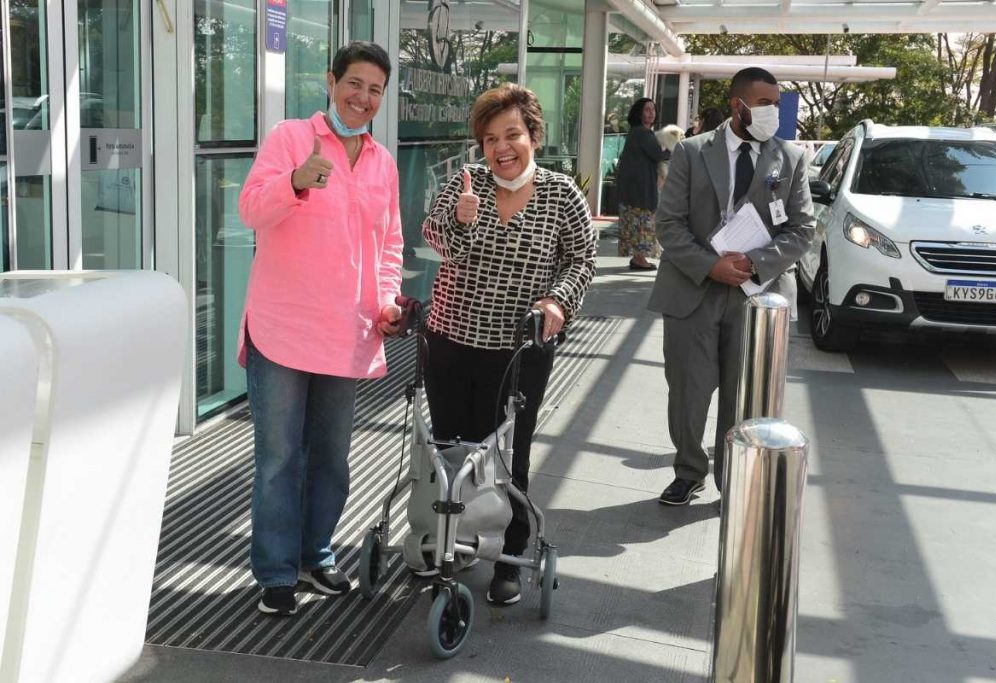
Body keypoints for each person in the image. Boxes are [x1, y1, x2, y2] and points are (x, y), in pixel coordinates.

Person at [236, 41, 404, 617]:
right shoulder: (290, 137)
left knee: (331, 458)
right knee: (279, 458)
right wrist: (296, 181)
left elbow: (389, 244)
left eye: (375, 89)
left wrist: (386, 301)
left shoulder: (382, 161)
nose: (363, 97)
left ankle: (317, 554)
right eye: (354, 83)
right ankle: (277, 573)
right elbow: (251, 210)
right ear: (331, 82)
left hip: (347, 330)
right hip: (282, 327)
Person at [422, 83, 596, 605]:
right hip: (452, 340)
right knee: (450, 448)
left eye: (512, 134)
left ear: (533, 135)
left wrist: (558, 302)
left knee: (507, 453)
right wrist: (463, 220)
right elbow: (436, 240)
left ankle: (509, 553)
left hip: (519, 349)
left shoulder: (562, 194)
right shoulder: (466, 183)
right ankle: (448, 543)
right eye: (491, 138)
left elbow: (582, 260)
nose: (502, 147)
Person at [648, 67, 814, 505]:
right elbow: (669, 223)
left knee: (745, 396)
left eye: (776, 103)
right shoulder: (691, 151)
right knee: (687, 391)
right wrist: (711, 266)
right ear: (737, 106)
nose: (773, 111)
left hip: (756, 298)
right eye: (764, 104)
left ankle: (733, 479)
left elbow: (802, 229)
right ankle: (689, 471)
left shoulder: (790, 158)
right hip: (693, 290)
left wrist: (755, 263)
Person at [616, 97, 672, 271]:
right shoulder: (642, 133)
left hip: (633, 187)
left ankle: (637, 258)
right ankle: (640, 259)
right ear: (639, 113)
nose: (651, 113)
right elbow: (658, 154)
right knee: (642, 223)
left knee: (635, 223)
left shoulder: (636, 132)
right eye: (647, 109)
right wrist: (672, 148)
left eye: (653, 109)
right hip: (640, 188)